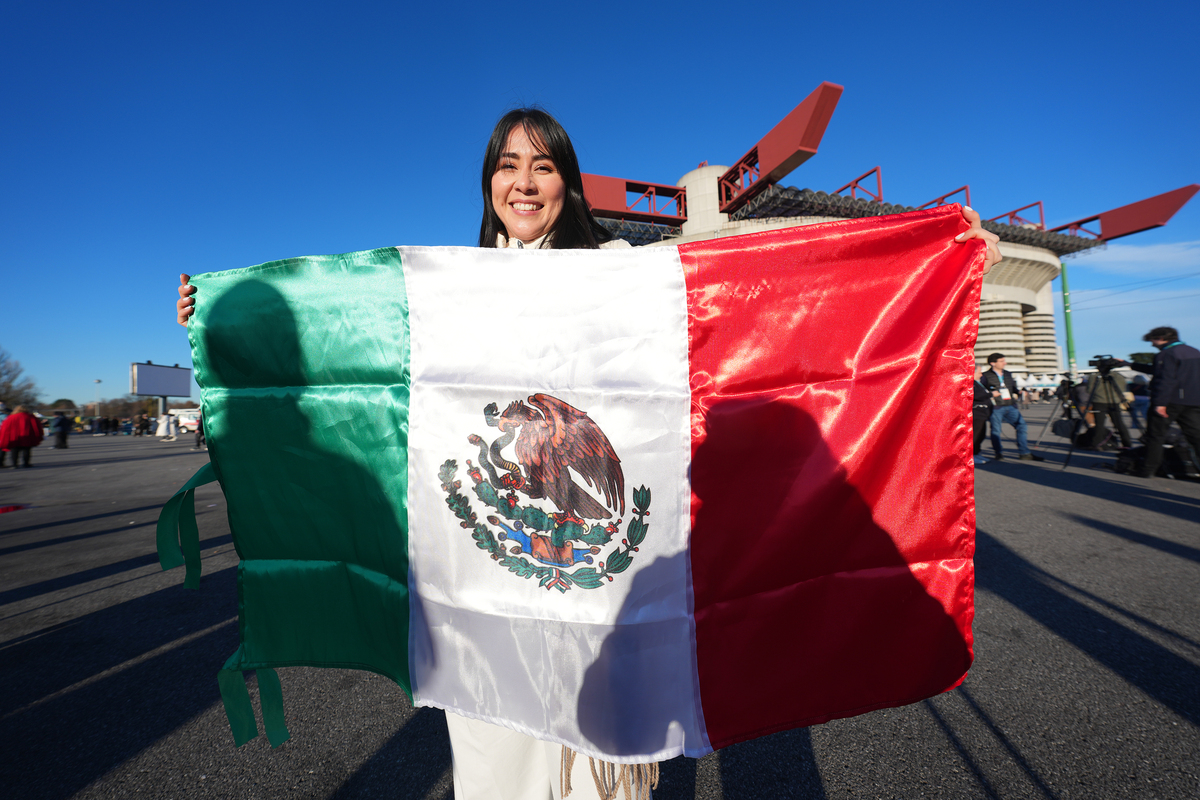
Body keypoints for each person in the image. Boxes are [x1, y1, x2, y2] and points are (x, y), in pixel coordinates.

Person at [175, 107, 1003, 800]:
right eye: (507, 165)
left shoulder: (619, 274)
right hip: (483, 604)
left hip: (599, 593)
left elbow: (768, 296)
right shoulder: (450, 295)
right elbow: (333, 358)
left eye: (543, 166)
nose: (523, 182)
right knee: (503, 774)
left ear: (567, 182)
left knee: (600, 777)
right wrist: (221, 325)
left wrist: (942, 256)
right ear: (488, 184)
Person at [1120, 327, 1200, 478]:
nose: (1152, 344)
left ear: (1162, 338)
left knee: (1156, 436)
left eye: (1153, 340)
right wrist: (1129, 364)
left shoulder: (1166, 354)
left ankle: (1147, 469)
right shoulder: (1194, 351)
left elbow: (1165, 379)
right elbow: (1158, 371)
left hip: (1170, 401)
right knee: (1196, 437)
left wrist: (1160, 403)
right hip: (1193, 401)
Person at [980, 353, 1044, 461]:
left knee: (1022, 426)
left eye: (1004, 360)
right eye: (1001, 361)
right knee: (996, 431)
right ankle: (998, 453)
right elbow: (981, 389)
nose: (1005, 363)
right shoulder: (985, 376)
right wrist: (990, 394)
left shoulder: (1008, 374)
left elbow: (1012, 388)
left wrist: (1019, 391)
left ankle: (1024, 453)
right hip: (996, 407)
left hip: (1011, 405)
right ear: (992, 363)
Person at [1083, 369, 1132, 449]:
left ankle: (1096, 444)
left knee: (1099, 424)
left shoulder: (1094, 376)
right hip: (1114, 401)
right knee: (1119, 423)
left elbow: (1089, 390)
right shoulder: (1118, 376)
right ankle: (1127, 444)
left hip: (1099, 402)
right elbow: (1122, 389)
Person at [972, 365, 994, 465]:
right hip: (977, 412)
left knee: (981, 435)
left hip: (983, 413)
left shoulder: (978, 383)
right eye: (979, 372)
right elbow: (977, 395)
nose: (981, 375)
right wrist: (991, 394)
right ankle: (972, 455)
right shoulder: (971, 384)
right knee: (975, 435)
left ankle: (977, 452)